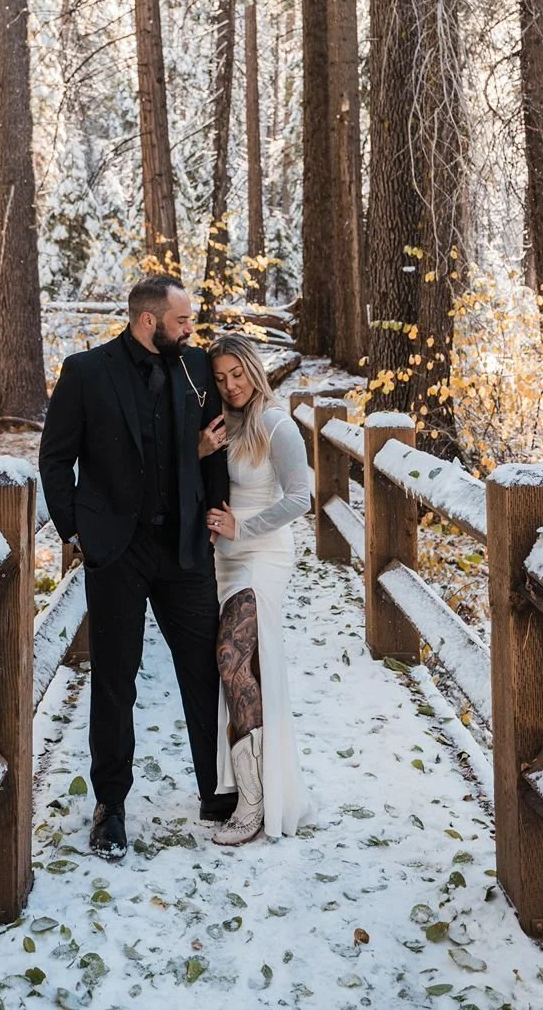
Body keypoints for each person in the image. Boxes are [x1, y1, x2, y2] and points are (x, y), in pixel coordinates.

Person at [38, 275, 238, 860]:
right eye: (182, 320)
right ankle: (111, 807)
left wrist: (216, 509)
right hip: (116, 552)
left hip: (183, 549)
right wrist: (75, 528)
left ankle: (215, 790)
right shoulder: (86, 372)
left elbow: (212, 449)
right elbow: (55, 457)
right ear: (148, 321)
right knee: (115, 680)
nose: (190, 329)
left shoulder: (197, 367)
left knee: (204, 669)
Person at [206, 332, 311, 844]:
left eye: (237, 374)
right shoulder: (224, 425)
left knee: (231, 655)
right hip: (225, 560)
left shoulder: (275, 422)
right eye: (221, 378)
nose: (230, 385)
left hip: (264, 553)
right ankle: (260, 784)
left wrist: (241, 530)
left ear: (254, 368)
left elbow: (301, 499)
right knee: (245, 667)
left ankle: (252, 800)